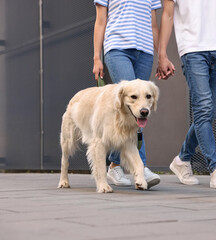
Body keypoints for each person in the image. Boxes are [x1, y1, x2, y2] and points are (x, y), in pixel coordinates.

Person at [157, 0, 216, 188]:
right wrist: (162, 54)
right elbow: (167, 14)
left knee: (208, 112)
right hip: (193, 50)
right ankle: (215, 168)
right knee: (203, 108)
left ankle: (182, 160)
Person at [93, 0, 162, 188]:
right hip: (117, 49)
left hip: (145, 52)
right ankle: (142, 167)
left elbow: (153, 25)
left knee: (138, 109)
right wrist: (97, 57)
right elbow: (100, 21)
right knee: (128, 107)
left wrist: (161, 55)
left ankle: (115, 164)